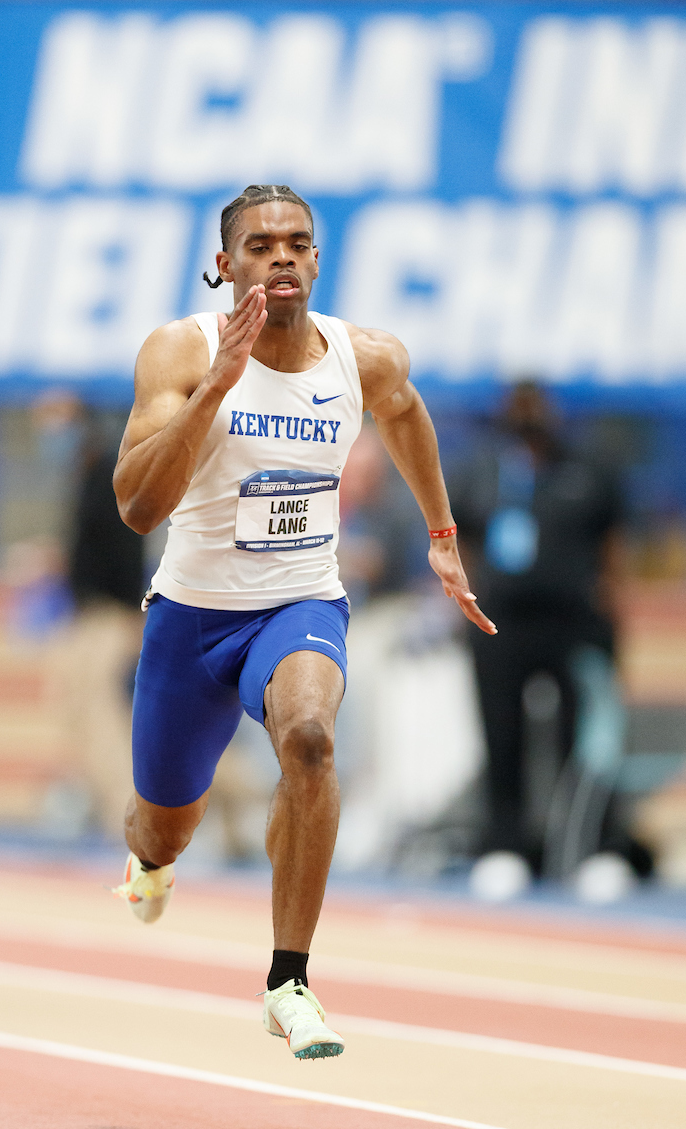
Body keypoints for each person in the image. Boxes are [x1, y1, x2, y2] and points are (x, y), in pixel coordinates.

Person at [110, 184, 495, 1060]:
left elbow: (405, 414)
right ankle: (153, 861)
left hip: (298, 603)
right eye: (259, 245)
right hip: (192, 620)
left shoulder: (363, 357)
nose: (280, 255)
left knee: (312, 739)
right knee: (160, 823)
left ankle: (289, 981)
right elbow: (136, 507)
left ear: (317, 261)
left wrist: (441, 536)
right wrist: (217, 387)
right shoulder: (179, 351)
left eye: (297, 243)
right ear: (224, 265)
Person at [453, 382, 638, 900]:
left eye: (539, 408)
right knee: (501, 734)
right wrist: (469, 593)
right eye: (521, 407)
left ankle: (595, 848)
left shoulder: (588, 469)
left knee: (586, 740)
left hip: (574, 622)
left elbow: (614, 541)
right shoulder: (484, 471)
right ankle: (504, 846)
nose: (531, 418)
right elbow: (459, 534)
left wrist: (610, 602)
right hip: (500, 621)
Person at [45, 412, 145, 841]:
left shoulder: (107, 471)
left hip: (109, 615)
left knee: (105, 717)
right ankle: (99, 801)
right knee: (81, 712)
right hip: (91, 615)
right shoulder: (89, 471)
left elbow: (124, 548)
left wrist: (130, 614)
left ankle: (124, 816)